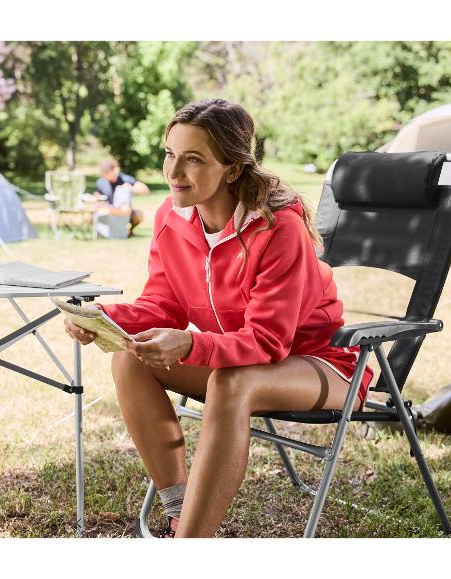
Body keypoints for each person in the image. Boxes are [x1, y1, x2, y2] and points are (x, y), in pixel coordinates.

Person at [64, 99, 374, 538]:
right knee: (130, 360)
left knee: (231, 381)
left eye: (194, 159)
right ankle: (178, 513)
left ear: (231, 168)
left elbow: (269, 343)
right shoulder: (171, 218)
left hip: (324, 365)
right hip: (242, 359)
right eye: (170, 154)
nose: (174, 173)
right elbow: (163, 302)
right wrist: (104, 317)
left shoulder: (277, 227)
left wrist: (192, 344)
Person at [94, 159, 147, 236]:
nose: (106, 176)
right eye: (104, 174)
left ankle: (129, 230)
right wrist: (96, 198)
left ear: (114, 170)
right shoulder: (101, 182)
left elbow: (145, 190)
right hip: (109, 211)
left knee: (139, 215)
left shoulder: (125, 179)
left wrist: (131, 188)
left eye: (108, 172)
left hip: (124, 211)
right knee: (91, 216)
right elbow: (97, 195)